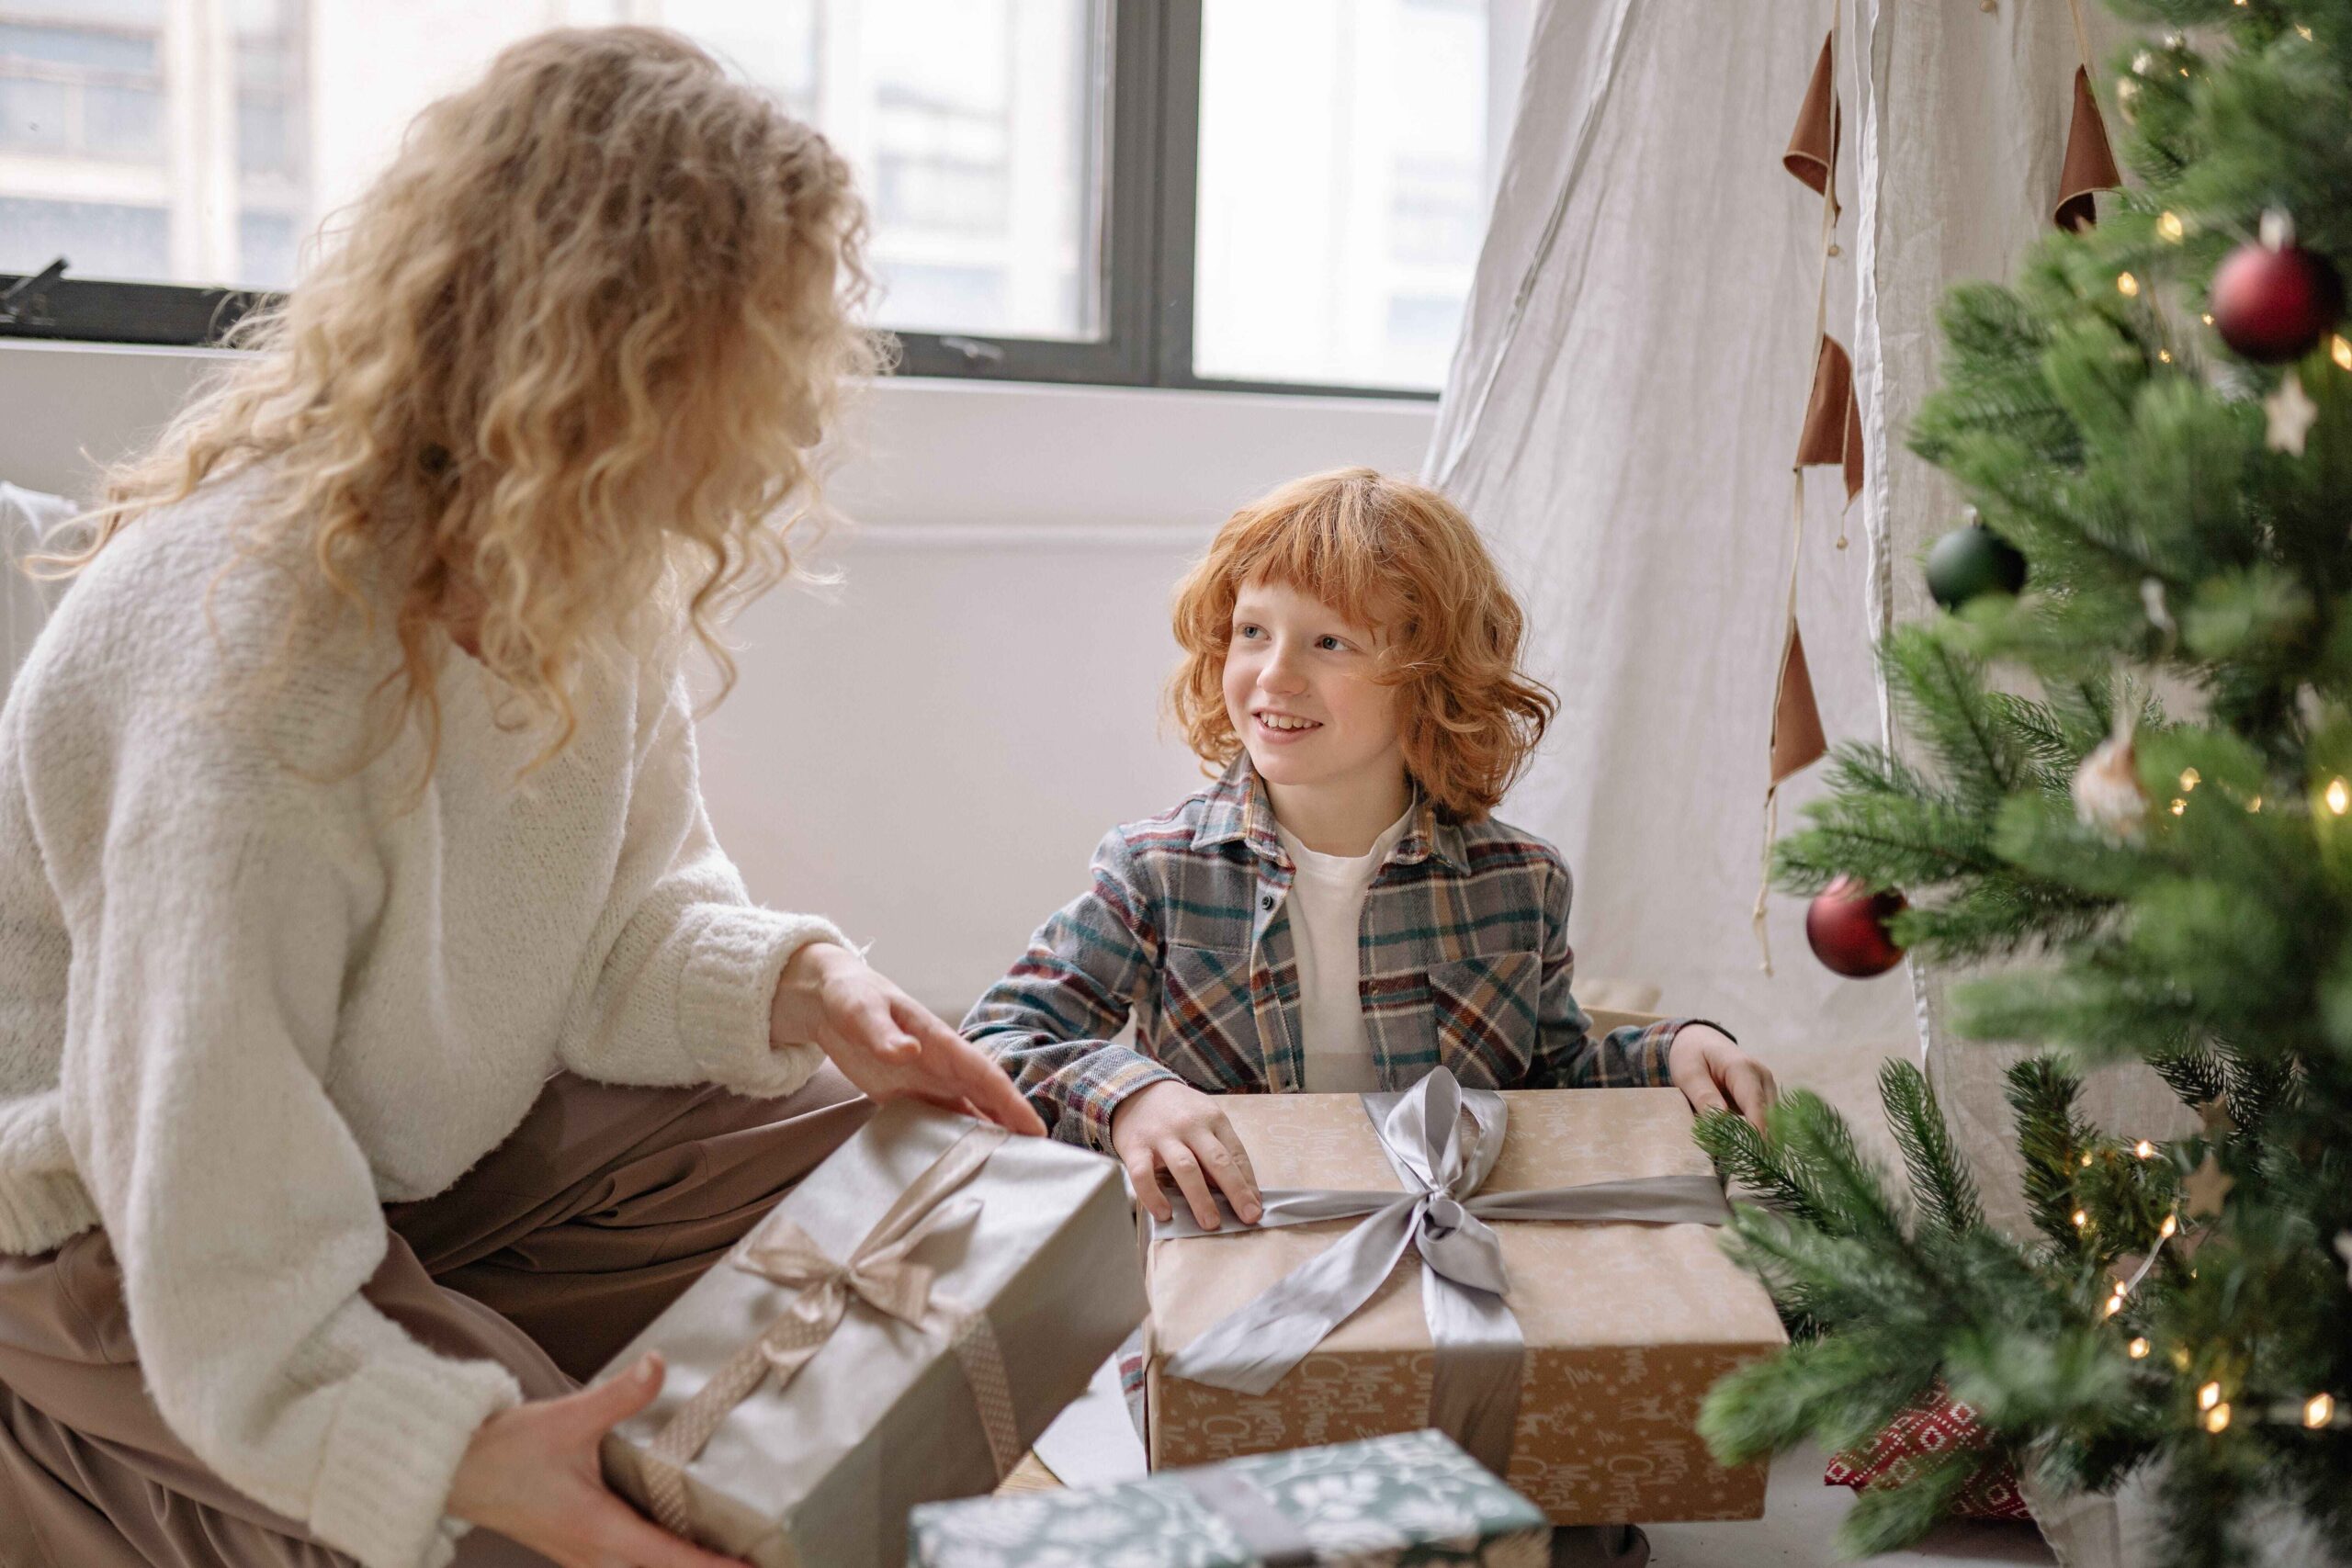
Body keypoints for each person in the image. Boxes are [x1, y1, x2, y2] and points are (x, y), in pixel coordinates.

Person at [0, 28, 1042, 1568]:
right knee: (531, 1507)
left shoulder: (572, 570)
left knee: (896, 1192)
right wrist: (465, 1451)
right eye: (769, 357)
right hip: (113, 1194)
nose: (801, 417)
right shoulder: (252, 652)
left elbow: (623, 917)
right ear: (615, 346)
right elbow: (206, 1160)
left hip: (389, 1148)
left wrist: (812, 983)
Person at [963, 468, 1776, 1231]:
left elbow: (1548, 1080)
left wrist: (1675, 1051)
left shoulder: (1519, 883)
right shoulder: (1157, 872)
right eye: (1253, 631)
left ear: (1430, 675)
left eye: (1330, 643)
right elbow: (992, 1045)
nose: (1274, 675)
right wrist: (1130, 1093)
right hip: (1232, 1268)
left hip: (1453, 1266)